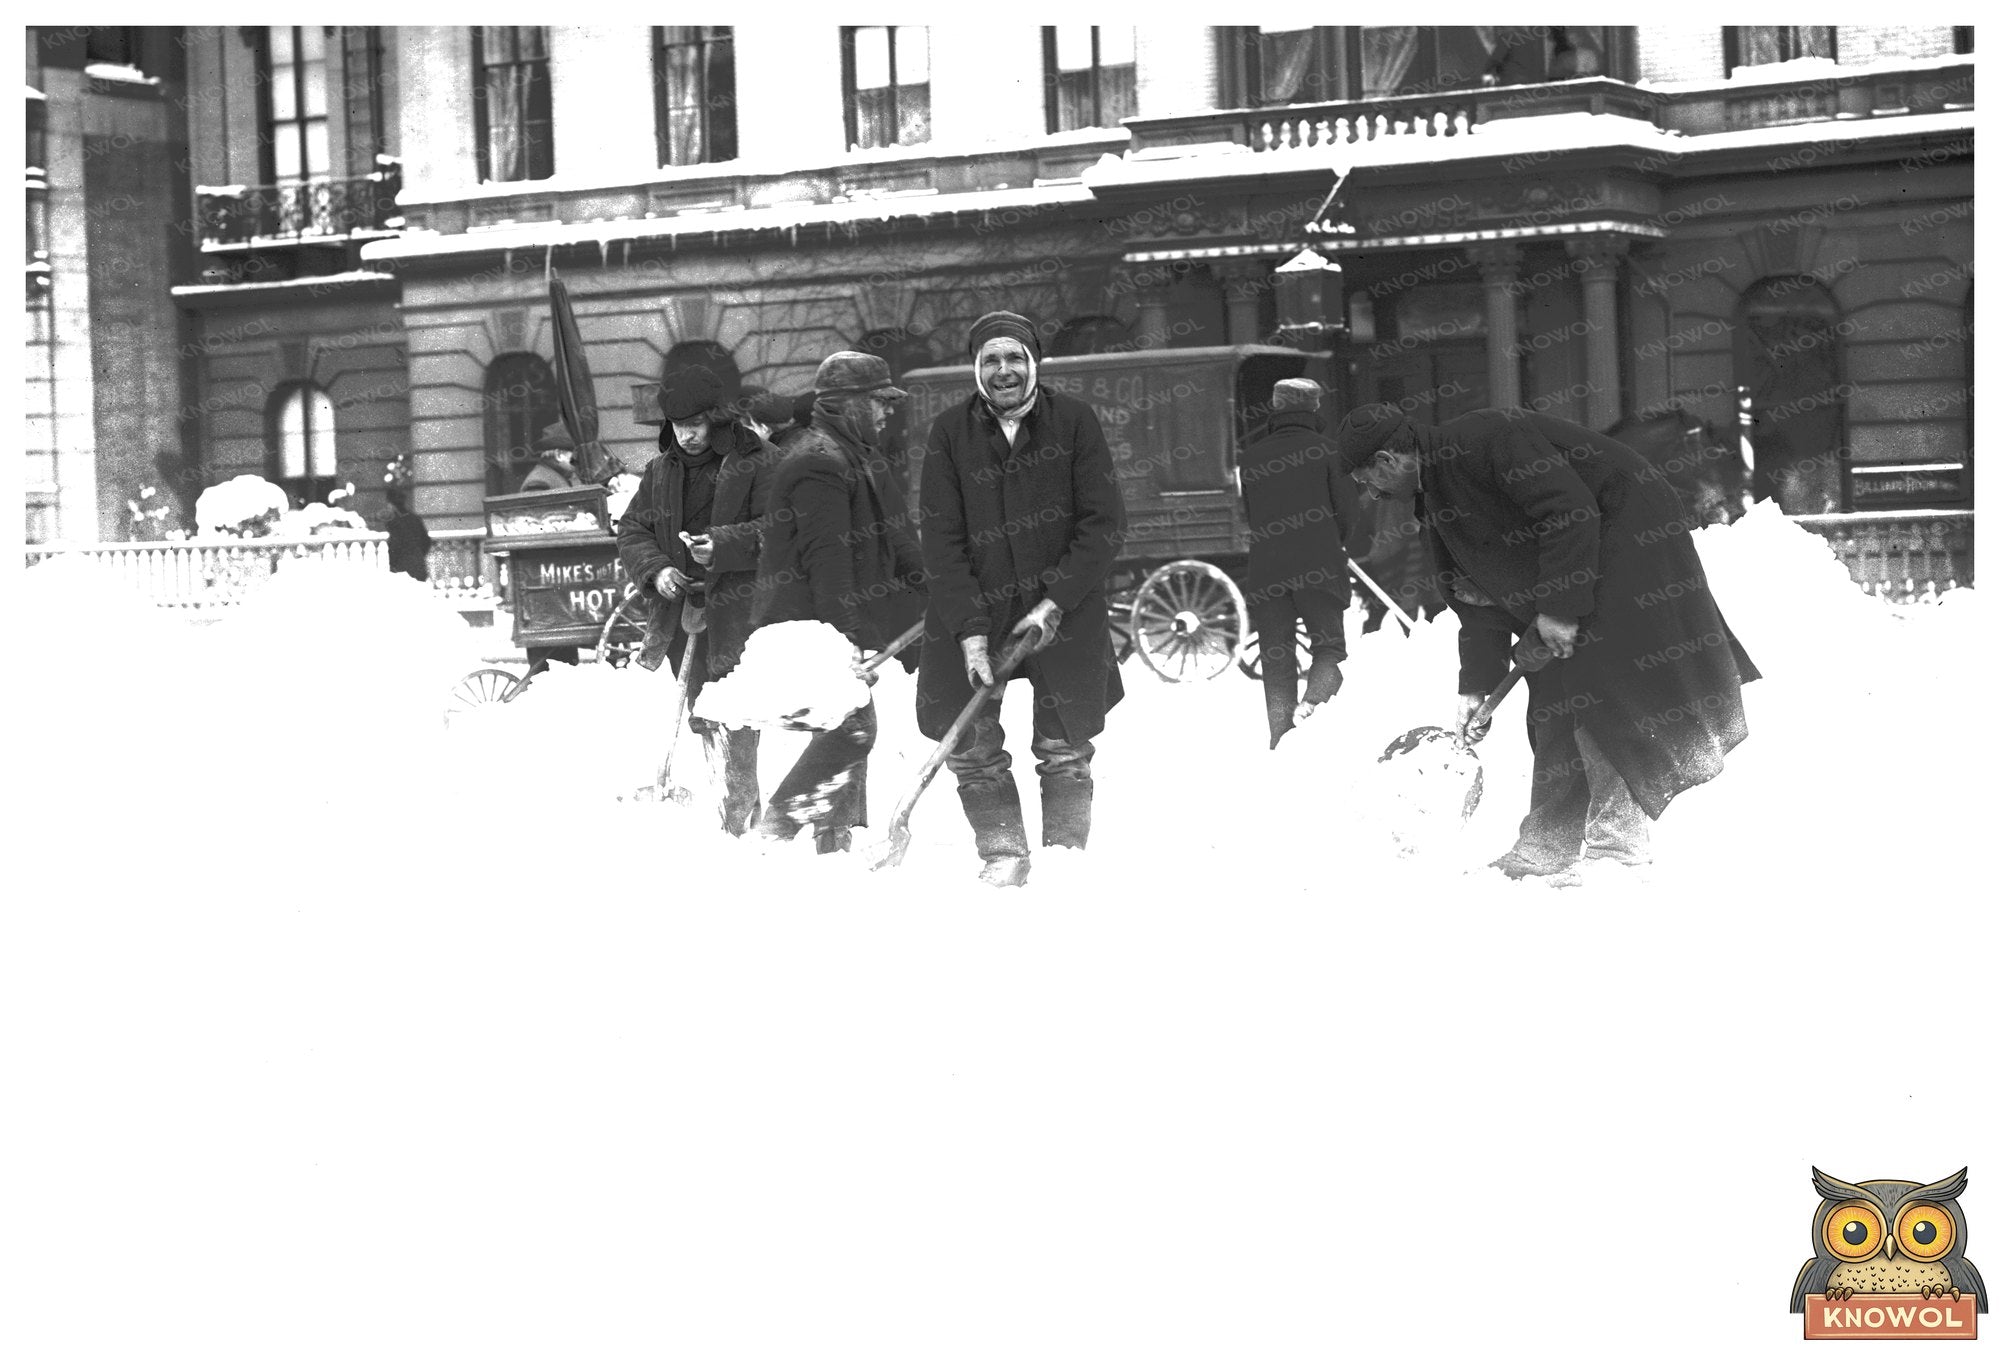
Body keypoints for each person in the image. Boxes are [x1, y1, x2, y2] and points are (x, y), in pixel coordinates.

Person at [1336, 402, 1762, 888]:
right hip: (1577, 565)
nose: (1370, 494)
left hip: (1630, 543)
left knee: (1603, 695)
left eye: (1367, 481)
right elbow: (1472, 593)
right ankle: (1547, 846)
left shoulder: (1488, 438)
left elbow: (1570, 511)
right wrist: (1476, 685)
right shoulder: (1435, 493)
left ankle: (1618, 849)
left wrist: (1559, 609)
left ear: (1389, 461)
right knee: (1553, 699)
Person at [915, 310, 1126, 887]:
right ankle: (1004, 854)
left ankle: (1064, 861)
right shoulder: (949, 433)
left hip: (1064, 608)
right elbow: (942, 538)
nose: (1003, 370)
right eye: (990, 360)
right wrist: (969, 629)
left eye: (1014, 358)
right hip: (975, 606)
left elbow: (1103, 523)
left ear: (1034, 363)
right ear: (976, 369)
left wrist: (1056, 599)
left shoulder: (1076, 423)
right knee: (972, 744)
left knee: (1063, 745)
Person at [749, 352, 927, 852]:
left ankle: (831, 839)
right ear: (848, 405)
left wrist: (938, 587)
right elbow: (827, 567)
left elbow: (897, 536)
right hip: (807, 623)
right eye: (879, 402)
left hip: (834, 620)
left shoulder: (858, 455)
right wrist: (850, 641)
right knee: (851, 730)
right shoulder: (817, 463)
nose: (887, 412)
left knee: (849, 726)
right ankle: (779, 829)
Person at [617, 365, 784, 835]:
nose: (687, 436)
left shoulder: (759, 459)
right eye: (677, 425)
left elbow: (781, 526)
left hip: (739, 610)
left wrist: (723, 546)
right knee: (703, 713)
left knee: (737, 713)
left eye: (696, 424)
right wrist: (657, 569)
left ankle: (741, 814)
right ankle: (726, 803)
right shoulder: (662, 468)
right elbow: (633, 529)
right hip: (682, 611)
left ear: (717, 418)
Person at [1238, 378, 1364, 749]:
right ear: (1313, 408)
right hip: (1319, 565)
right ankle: (1312, 708)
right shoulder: (1329, 452)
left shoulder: (1252, 456)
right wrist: (1330, 542)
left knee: (1276, 657)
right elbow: (1348, 514)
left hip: (1267, 568)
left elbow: (1250, 513)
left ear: (1277, 407)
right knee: (1328, 648)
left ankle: (1280, 737)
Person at [519, 421, 583, 674]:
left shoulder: (560, 476)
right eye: (570, 455)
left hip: (559, 581)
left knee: (564, 659)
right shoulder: (540, 482)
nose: (573, 460)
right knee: (549, 663)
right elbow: (540, 528)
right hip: (546, 579)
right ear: (558, 454)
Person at [382, 487, 432, 583]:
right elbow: (427, 541)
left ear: (391, 504)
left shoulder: (393, 522)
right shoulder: (415, 518)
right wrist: (418, 556)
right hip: (418, 567)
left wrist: (392, 565)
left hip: (402, 570)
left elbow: (394, 545)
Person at [519, 422, 582, 492]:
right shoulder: (538, 484)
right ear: (558, 455)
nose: (578, 460)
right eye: (575, 455)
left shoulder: (553, 474)